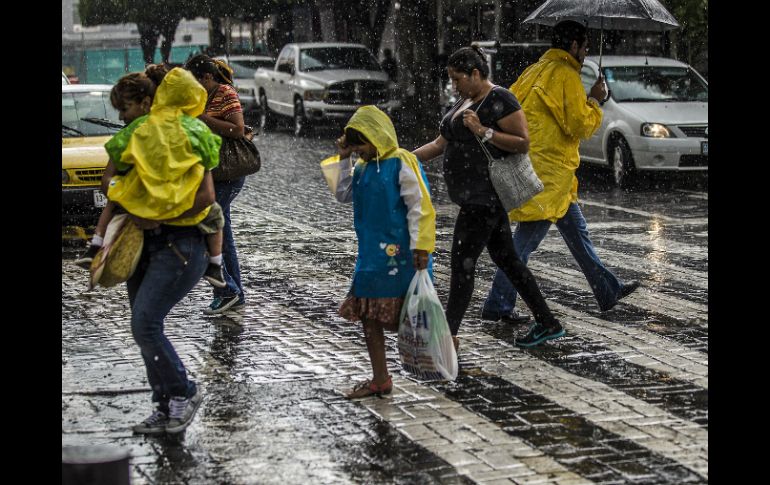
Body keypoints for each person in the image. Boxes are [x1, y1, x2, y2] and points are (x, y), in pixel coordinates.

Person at [481, 20, 640, 321]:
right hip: (549, 176)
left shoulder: (534, 70)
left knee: (578, 235)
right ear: (574, 46)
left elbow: (508, 107)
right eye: (585, 46)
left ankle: (607, 290)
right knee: (524, 243)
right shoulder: (566, 75)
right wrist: (594, 99)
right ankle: (497, 305)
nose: (586, 52)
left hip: (546, 171)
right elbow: (580, 125)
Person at [413, 46, 564, 348]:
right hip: (473, 199)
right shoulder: (465, 100)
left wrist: (483, 130)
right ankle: (547, 322)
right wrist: (403, 158)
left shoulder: (500, 99)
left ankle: (447, 336)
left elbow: (522, 143)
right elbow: (440, 144)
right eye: (451, 79)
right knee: (508, 260)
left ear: (475, 74)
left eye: (457, 79)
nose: (454, 85)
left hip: (483, 199)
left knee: (462, 266)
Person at [101, 67, 224, 434]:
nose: (122, 116)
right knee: (145, 327)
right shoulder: (139, 133)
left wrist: (156, 213)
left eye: (125, 108)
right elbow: (108, 179)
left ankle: (184, 392)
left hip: (179, 245)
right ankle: (165, 405)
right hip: (142, 244)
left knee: (145, 324)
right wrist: (137, 199)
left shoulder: (188, 133)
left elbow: (206, 196)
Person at [74, 65, 227, 289]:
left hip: (144, 226)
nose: (121, 116)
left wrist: (129, 197)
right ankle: (216, 264)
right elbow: (207, 194)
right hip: (179, 230)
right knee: (215, 219)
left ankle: (96, 245)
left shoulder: (137, 130)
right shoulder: (193, 130)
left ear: (147, 102)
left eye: (124, 109)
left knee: (143, 309)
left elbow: (107, 180)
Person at [332, 106, 435, 398]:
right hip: (371, 257)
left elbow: (420, 206)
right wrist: (344, 158)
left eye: (362, 145)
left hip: (403, 256)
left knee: (412, 313)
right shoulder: (361, 167)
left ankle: (441, 353)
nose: (359, 152)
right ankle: (380, 378)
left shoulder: (401, 161)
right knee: (369, 315)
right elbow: (342, 193)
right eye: (355, 147)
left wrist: (422, 246)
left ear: (377, 136)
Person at [185, 54, 250, 314]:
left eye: (195, 81)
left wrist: (203, 118)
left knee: (207, 228)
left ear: (207, 77)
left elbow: (238, 128)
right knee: (223, 235)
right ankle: (234, 293)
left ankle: (227, 290)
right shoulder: (203, 95)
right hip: (214, 172)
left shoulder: (224, 92)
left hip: (228, 173)